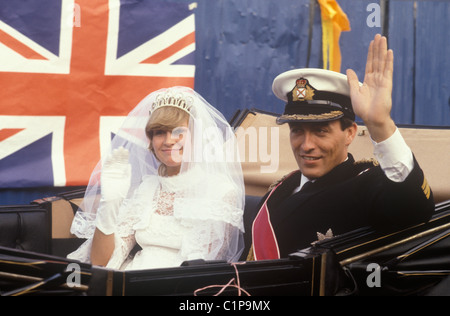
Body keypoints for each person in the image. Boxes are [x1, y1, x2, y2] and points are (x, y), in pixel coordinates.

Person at [244, 34, 435, 261]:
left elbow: (415, 208)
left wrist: (379, 124)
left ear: (350, 133)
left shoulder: (367, 184)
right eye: (297, 130)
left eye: (320, 131)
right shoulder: (281, 188)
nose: (306, 145)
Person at [68, 87, 245, 270]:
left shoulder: (221, 192)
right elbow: (101, 263)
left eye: (178, 132)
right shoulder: (147, 188)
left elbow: (200, 273)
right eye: (160, 132)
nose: (168, 141)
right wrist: (110, 204)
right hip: (129, 280)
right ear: (151, 140)